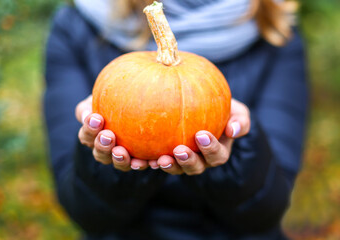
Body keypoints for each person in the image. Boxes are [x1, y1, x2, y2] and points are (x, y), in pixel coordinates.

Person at [44, 0, 308, 239]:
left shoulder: (277, 31)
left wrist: (239, 151)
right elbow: (82, 210)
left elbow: (269, 208)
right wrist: (106, 161)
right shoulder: (77, 25)